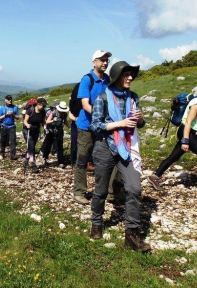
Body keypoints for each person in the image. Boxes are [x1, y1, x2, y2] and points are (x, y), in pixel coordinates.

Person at [89, 61, 151, 252]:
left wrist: (140, 120)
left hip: (126, 147)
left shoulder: (133, 97)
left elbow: (138, 124)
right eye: (127, 75)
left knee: (134, 188)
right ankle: (96, 223)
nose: (130, 78)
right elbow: (95, 125)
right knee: (100, 190)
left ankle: (131, 234)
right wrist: (119, 123)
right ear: (117, 77)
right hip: (104, 147)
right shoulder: (102, 98)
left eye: (132, 75)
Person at [149, 79, 197, 199]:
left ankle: (155, 176)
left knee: (174, 156)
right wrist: (185, 140)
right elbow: (188, 122)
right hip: (187, 132)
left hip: (193, 133)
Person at [73, 49, 111, 205]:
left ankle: (107, 191)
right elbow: (85, 104)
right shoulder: (87, 79)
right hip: (86, 126)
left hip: (102, 126)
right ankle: (79, 192)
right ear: (93, 62)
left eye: (107, 59)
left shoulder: (108, 79)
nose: (105, 62)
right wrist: (99, 118)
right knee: (82, 159)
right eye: (101, 59)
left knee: (105, 159)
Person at [40, 101, 70, 168]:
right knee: (49, 145)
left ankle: (61, 161)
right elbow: (47, 121)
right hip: (51, 130)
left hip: (59, 130)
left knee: (60, 146)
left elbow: (65, 122)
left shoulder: (64, 114)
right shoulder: (53, 113)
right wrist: (53, 120)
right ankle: (44, 158)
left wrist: (70, 128)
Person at [24, 98, 47, 173]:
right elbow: (25, 121)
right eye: (43, 106)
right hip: (28, 130)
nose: (43, 107)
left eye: (44, 106)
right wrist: (27, 125)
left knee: (32, 146)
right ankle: (33, 164)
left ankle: (27, 159)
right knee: (32, 146)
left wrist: (45, 128)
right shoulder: (30, 110)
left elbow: (43, 121)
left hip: (36, 130)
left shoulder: (43, 112)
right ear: (38, 104)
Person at [0, 95, 20, 160]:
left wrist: (13, 114)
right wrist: (6, 115)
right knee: (3, 140)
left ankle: (13, 154)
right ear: (5, 100)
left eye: (10, 99)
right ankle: (2, 152)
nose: (10, 100)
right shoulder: (2, 108)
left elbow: (18, 117)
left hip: (12, 126)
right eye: (8, 99)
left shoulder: (15, 107)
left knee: (12, 140)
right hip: (4, 126)